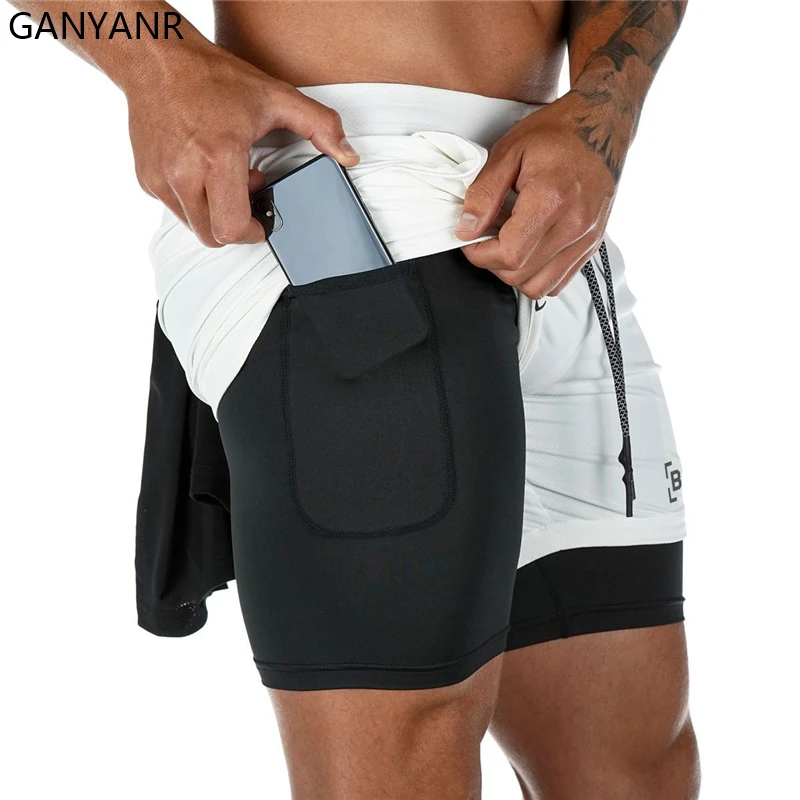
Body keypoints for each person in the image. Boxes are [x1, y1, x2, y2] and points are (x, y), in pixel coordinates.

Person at [13, 1, 700, 797]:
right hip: (348, 191)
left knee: (634, 768)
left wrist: (603, 112)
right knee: (406, 755)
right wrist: (161, 66)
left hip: (550, 218)